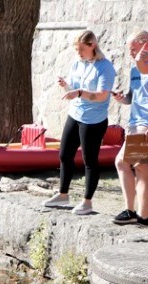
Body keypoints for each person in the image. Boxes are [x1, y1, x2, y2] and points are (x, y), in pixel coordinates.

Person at [43, 30, 116, 215]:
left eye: (82, 49)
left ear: (92, 46)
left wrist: (80, 92)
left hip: (94, 120)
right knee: (64, 155)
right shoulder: (78, 63)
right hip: (75, 114)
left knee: (89, 161)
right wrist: (66, 85)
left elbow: (101, 96)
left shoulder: (105, 67)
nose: (79, 53)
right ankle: (63, 194)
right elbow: (75, 88)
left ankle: (87, 202)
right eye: (77, 49)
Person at [112, 30, 148, 225]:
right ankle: (140, 215)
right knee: (141, 168)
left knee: (128, 164)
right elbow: (133, 97)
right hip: (135, 125)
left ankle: (135, 213)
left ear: (145, 44)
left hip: (144, 125)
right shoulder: (135, 70)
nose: (131, 53)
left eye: (133, 49)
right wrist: (122, 98)